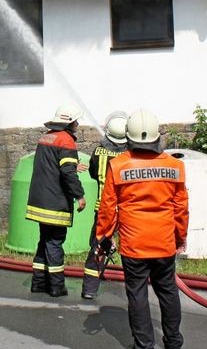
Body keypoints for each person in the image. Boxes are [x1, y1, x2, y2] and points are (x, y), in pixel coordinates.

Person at [95, 108, 189, 349]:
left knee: (137, 294)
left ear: (129, 136)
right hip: (164, 243)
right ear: (158, 136)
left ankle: (144, 345)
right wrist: (179, 238)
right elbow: (181, 208)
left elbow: (108, 207)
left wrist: (104, 238)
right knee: (167, 291)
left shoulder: (118, 166)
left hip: (134, 245)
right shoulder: (175, 166)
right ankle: (174, 341)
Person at [25, 102, 87, 297]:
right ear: (70, 123)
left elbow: (52, 167)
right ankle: (56, 286)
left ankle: (38, 283)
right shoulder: (66, 141)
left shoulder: (47, 137)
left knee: (44, 241)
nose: (78, 124)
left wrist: (71, 167)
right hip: (54, 203)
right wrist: (79, 195)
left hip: (39, 200)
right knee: (55, 242)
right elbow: (67, 174)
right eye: (76, 121)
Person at [80, 110, 127, 300]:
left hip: (103, 209)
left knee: (97, 248)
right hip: (125, 209)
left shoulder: (98, 151)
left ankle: (89, 289)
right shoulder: (129, 155)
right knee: (133, 248)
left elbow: (93, 173)